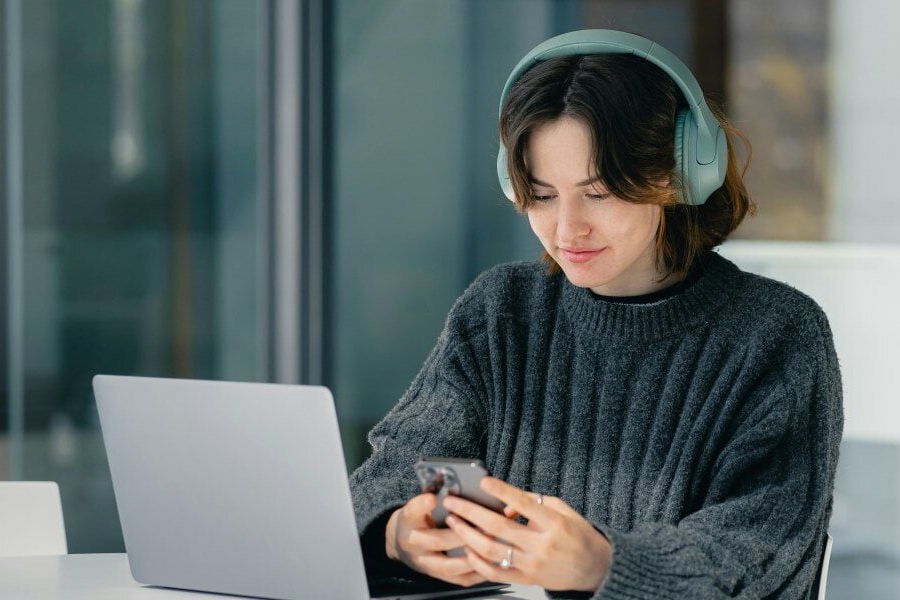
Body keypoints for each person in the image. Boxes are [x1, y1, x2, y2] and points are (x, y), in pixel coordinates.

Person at [349, 29, 843, 598]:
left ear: (680, 171)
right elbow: (384, 478)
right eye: (542, 194)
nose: (566, 229)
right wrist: (396, 532)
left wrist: (602, 565)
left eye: (600, 192)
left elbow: (761, 555)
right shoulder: (500, 313)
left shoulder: (777, 336)